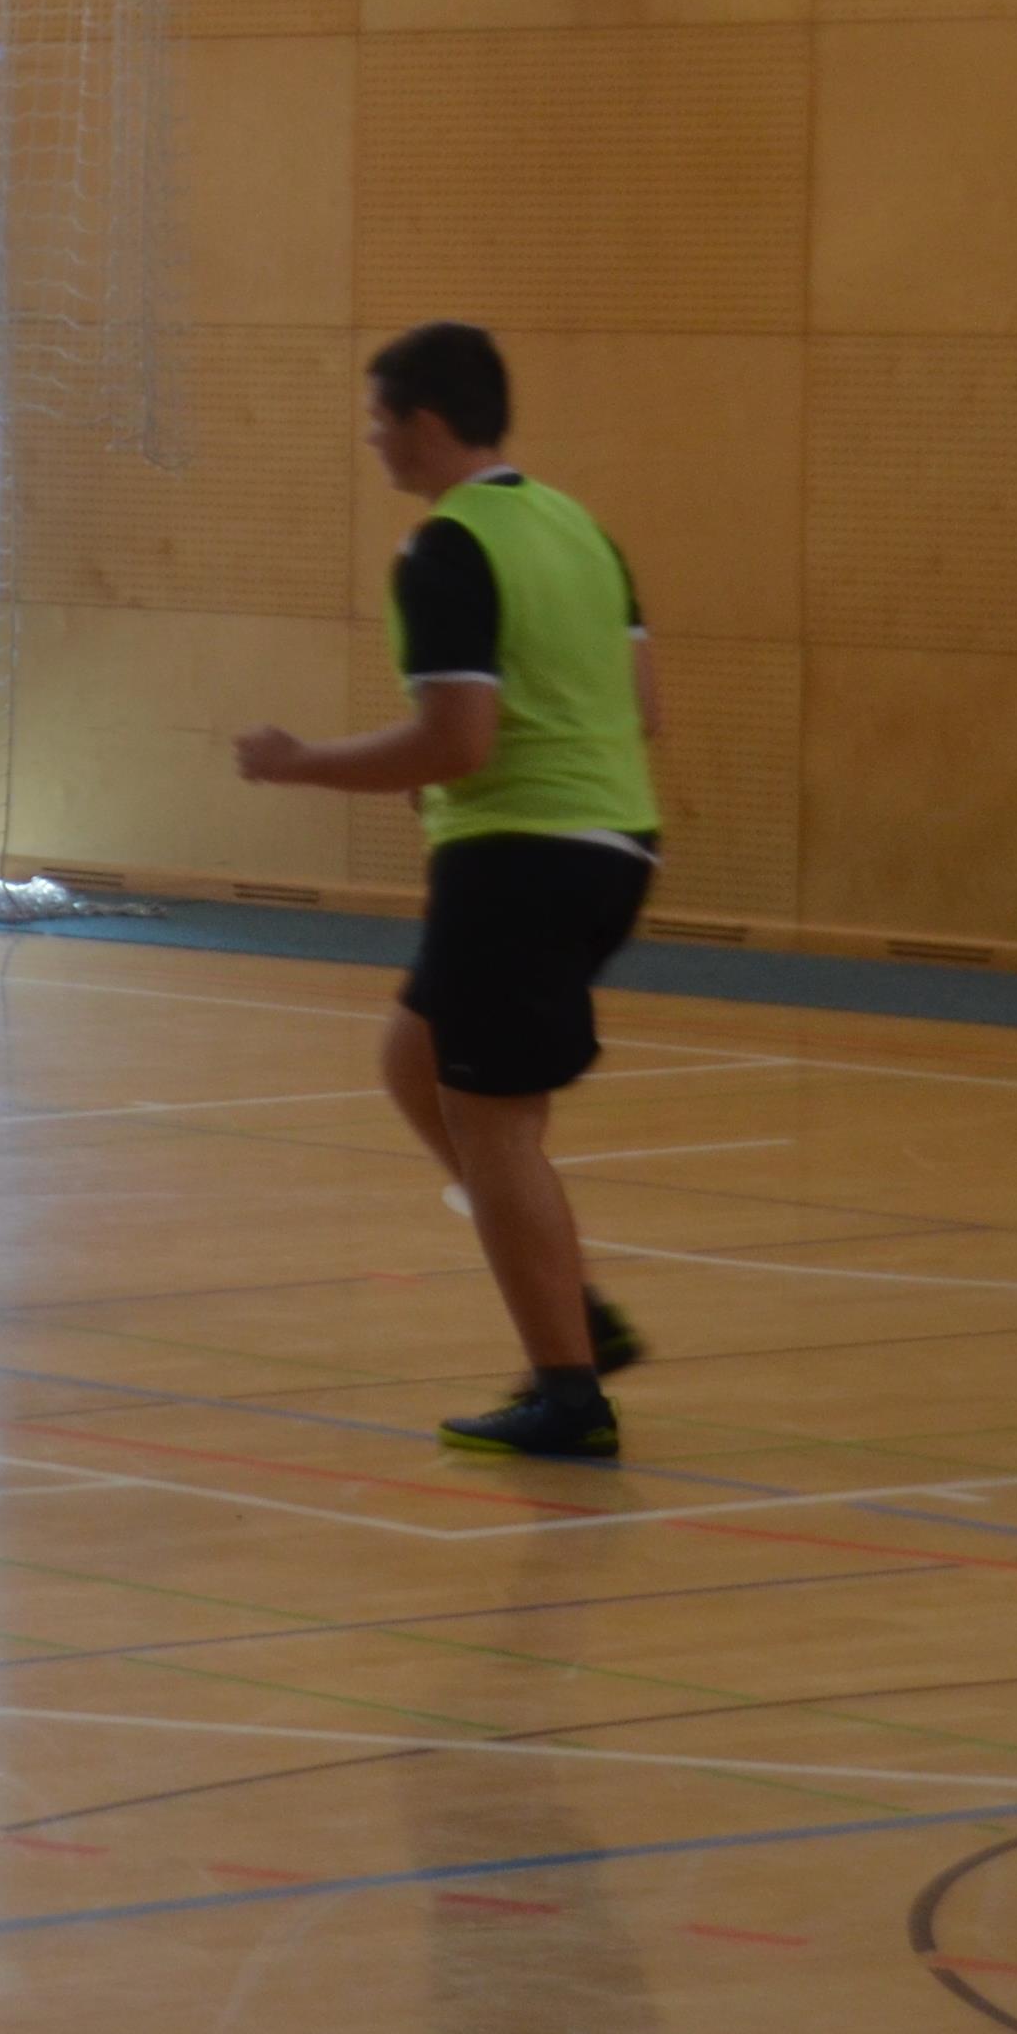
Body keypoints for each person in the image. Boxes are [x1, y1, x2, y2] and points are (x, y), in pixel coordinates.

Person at [234, 321, 662, 1461]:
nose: (372, 441)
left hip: (520, 856)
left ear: (423, 424)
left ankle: (568, 1391)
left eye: (378, 420)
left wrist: (299, 763)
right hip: (616, 843)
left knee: (496, 1124)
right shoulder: (579, 531)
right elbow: (642, 707)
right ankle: (570, 1307)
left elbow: (457, 741)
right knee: (412, 1060)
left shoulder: (445, 550)